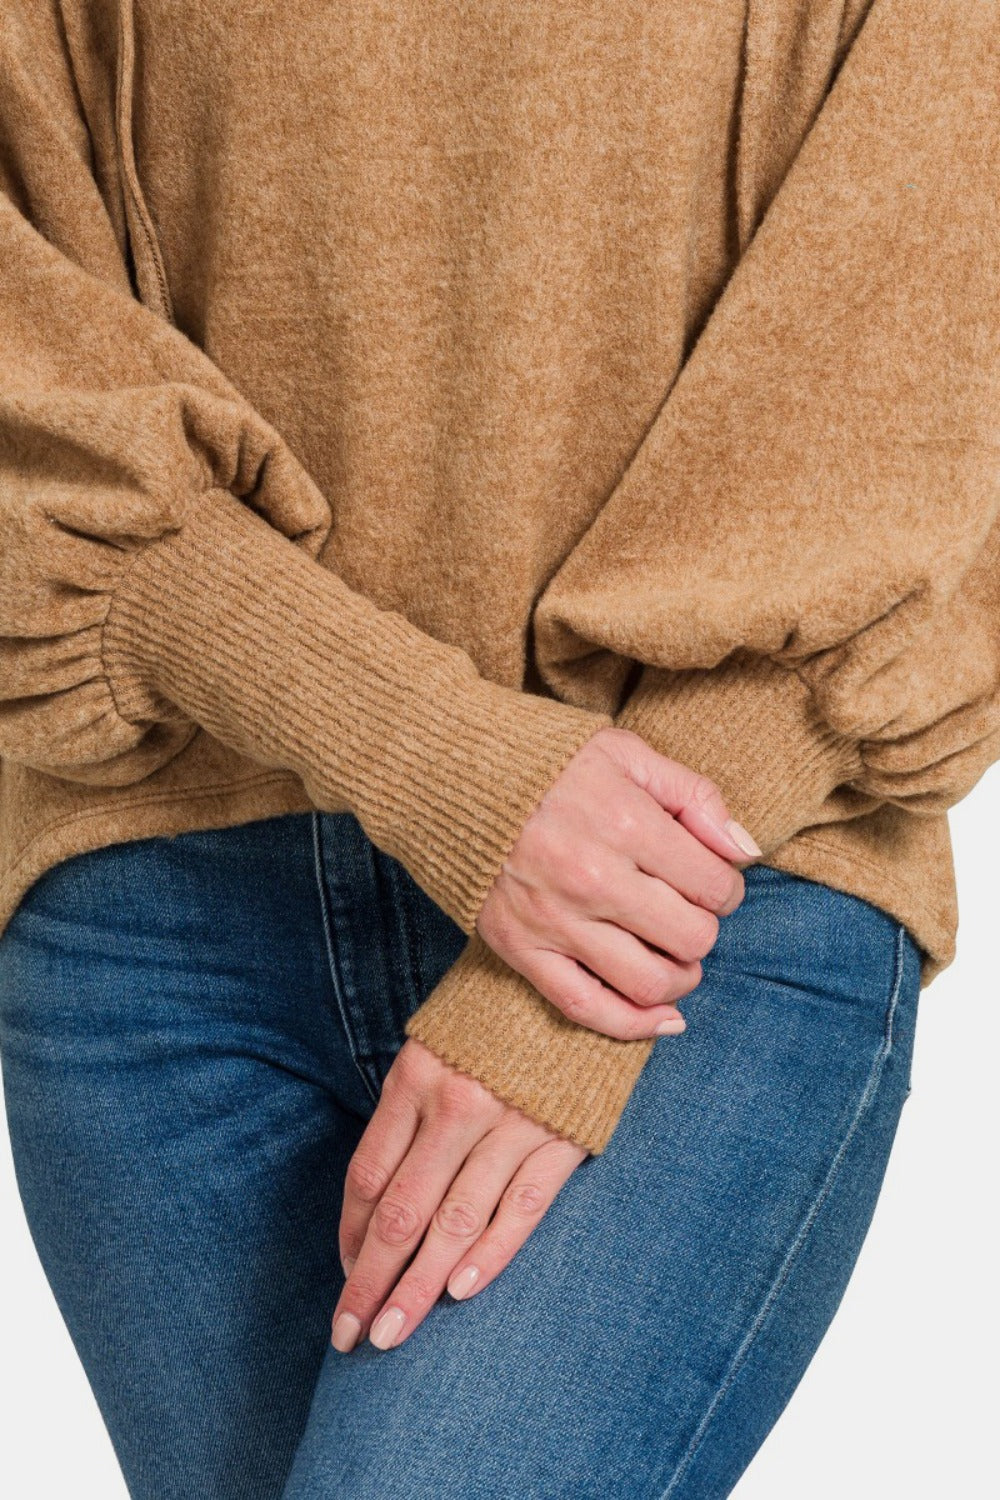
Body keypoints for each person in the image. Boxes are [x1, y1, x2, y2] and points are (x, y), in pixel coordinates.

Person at [0, 2, 996, 1496]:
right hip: (165, 894)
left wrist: (578, 979)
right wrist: (429, 753)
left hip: (708, 876)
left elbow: (948, 316)